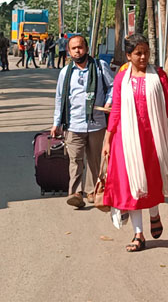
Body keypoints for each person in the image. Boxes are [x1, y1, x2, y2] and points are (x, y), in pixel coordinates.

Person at [102, 34, 168, 252]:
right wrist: (108, 138)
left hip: (154, 137)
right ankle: (138, 234)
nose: (143, 57)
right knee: (134, 183)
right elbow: (116, 110)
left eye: (146, 52)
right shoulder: (122, 78)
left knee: (152, 181)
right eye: (138, 53)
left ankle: (154, 214)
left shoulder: (158, 75)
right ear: (128, 55)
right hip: (126, 138)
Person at [52, 35, 114, 209]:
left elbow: (113, 86)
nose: (77, 51)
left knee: (96, 161)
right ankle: (76, 193)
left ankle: (94, 191)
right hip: (73, 124)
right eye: (73, 48)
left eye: (80, 47)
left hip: (97, 123)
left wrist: (108, 102)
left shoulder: (100, 67)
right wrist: (56, 123)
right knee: (75, 160)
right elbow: (59, 99)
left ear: (86, 48)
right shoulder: (65, 72)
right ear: (69, 52)